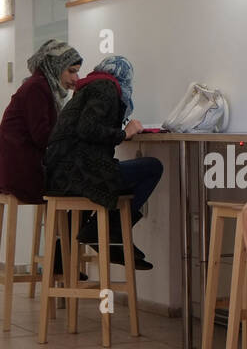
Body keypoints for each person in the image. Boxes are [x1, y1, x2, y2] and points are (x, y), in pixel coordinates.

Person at [45, 55, 163, 269]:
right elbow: (87, 129)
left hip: (60, 175)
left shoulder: (88, 88)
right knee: (152, 167)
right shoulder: (106, 88)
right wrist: (123, 134)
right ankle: (110, 232)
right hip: (77, 173)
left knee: (98, 190)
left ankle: (61, 261)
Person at [0, 39, 82, 203]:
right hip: (21, 173)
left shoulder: (41, 86)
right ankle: (73, 229)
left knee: (77, 180)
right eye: (71, 71)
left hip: (16, 169)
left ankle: (67, 229)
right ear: (56, 66)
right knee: (83, 184)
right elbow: (42, 137)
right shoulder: (37, 88)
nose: (76, 79)